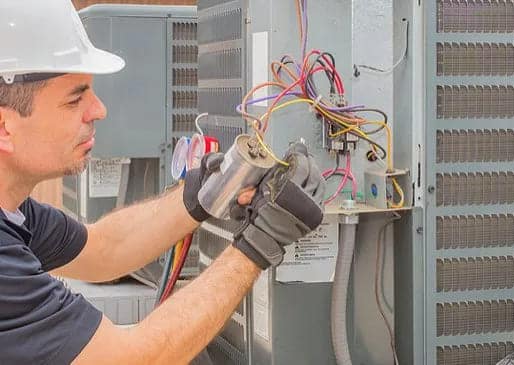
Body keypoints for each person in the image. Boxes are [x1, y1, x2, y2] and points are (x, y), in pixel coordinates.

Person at [0, 1, 325, 363]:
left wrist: (199, 194)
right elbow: (130, 360)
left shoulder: (15, 212)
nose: (99, 110)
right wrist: (260, 243)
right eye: (75, 99)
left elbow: (103, 248)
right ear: (4, 128)